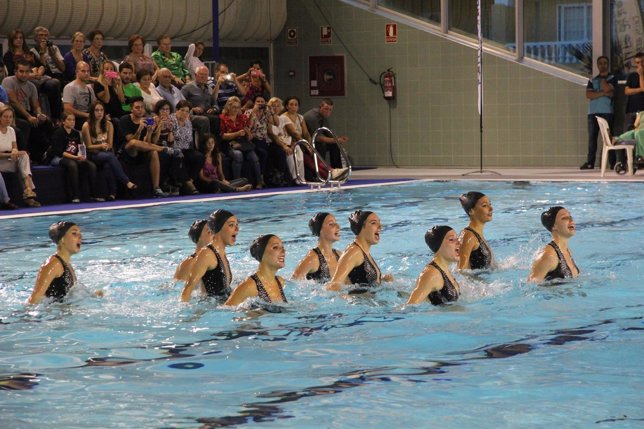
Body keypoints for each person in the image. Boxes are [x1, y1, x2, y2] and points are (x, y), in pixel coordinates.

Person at [82, 101, 137, 201]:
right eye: (97, 110)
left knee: (108, 164)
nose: (99, 113)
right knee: (111, 157)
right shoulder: (87, 125)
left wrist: (106, 147)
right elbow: (88, 146)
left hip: (106, 153)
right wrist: (100, 146)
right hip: (93, 154)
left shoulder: (109, 125)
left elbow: (110, 144)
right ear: (92, 112)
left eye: (102, 110)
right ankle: (126, 181)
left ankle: (112, 194)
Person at [326, 210, 393, 291]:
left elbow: (361, 280)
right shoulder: (354, 252)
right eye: (373, 223)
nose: (380, 227)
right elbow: (333, 286)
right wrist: (349, 300)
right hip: (360, 302)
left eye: (379, 222)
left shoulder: (363, 251)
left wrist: (382, 279)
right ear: (361, 227)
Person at [180, 209, 238, 302]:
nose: (237, 229)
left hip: (224, 304)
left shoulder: (221, 252)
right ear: (218, 229)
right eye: (231, 225)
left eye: (237, 225)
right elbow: (188, 289)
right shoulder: (207, 254)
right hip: (213, 308)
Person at [2, 59, 54, 162]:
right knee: (26, 124)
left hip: (26, 112)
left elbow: (35, 105)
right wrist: (28, 116)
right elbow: (13, 102)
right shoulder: (8, 81)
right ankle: (23, 156)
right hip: (11, 113)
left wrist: (39, 114)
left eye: (27, 72)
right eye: (21, 71)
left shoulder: (31, 86)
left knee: (46, 123)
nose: (24, 74)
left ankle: (43, 153)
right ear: (15, 71)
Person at [28, 222, 92, 304]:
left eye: (80, 233)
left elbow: (72, 294)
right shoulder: (53, 264)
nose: (80, 237)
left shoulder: (67, 264)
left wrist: (92, 295)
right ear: (62, 239)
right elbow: (35, 298)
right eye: (74, 233)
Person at [118, 96, 167, 197]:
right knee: (134, 143)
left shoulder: (146, 120)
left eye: (142, 107)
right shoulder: (125, 119)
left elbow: (147, 143)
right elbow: (131, 140)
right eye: (137, 107)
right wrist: (140, 129)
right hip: (129, 152)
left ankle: (156, 188)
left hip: (142, 152)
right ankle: (163, 149)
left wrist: (150, 132)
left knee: (153, 152)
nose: (140, 110)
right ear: (131, 109)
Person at [50, 111, 100, 203]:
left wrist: (81, 156)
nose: (72, 122)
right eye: (69, 120)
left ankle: (94, 194)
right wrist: (76, 158)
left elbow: (79, 148)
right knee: (72, 165)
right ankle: (75, 195)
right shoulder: (58, 133)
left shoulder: (76, 133)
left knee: (91, 165)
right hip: (58, 157)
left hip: (73, 156)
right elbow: (60, 152)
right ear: (63, 121)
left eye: (73, 120)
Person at [225, 234, 288, 306]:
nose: (283, 251)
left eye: (282, 247)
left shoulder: (280, 282)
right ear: (262, 254)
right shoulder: (250, 286)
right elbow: (225, 311)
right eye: (275, 247)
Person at [407, 226, 461, 305]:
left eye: (457, 238)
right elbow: (410, 306)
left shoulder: (444, 270)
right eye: (451, 240)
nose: (459, 242)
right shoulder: (432, 274)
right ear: (438, 246)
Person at [580, 56, 617, 170]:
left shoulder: (612, 78)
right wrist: (603, 93)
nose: (603, 65)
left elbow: (608, 91)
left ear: (608, 64)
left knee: (608, 138)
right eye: (600, 63)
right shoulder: (592, 80)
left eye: (605, 63)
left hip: (607, 112)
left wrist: (602, 83)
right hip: (593, 113)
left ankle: (612, 163)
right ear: (597, 65)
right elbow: (589, 95)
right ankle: (590, 162)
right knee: (592, 138)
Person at [0, 105, 40, 207]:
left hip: (9, 160)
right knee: (22, 160)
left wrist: (15, 151)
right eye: (5, 116)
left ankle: (28, 189)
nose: (8, 119)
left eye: (10, 117)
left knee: (24, 156)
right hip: (1, 161)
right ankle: (8, 200)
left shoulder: (11, 130)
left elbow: (15, 148)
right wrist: (10, 153)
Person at [528, 206, 580, 282]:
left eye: (570, 216)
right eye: (564, 218)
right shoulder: (549, 256)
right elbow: (530, 285)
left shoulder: (567, 251)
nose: (571, 220)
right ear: (554, 226)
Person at [219, 96, 262, 185]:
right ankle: (237, 183)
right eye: (233, 107)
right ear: (228, 107)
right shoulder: (222, 118)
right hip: (228, 143)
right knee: (238, 155)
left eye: (238, 107)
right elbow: (222, 136)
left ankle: (259, 182)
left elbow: (248, 134)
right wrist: (237, 134)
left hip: (243, 142)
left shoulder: (242, 117)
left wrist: (249, 134)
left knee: (254, 157)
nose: (235, 109)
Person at [292, 212, 342, 281]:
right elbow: (292, 283)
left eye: (336, 223)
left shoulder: (339, 255)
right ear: (320, 230)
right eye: (331, 224)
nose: (338, 227)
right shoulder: (312, 259)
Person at [29, 26, 64, 120]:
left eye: (45, 35)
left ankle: (58, 116)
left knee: (57, 82)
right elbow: (42, 67)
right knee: (53, 85)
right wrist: (42, 52)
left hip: (58, 74)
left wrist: (53, 55)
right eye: (40, 35)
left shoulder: (54, 48)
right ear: (35, 38)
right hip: (45, 76)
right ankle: (55, 117)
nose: (43, 37)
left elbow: (62, 68)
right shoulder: (32, 52)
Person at [303, 98, 349, 169]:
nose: (328, 112)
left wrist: (338, 139)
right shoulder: (312, 117)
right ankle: (322, 171)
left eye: (330, 110)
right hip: (307, 142)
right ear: (320, 107)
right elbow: (318, 138)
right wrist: (336, 140)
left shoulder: (323, 116)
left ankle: (337, 169)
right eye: (326, 109)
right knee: (322, 146)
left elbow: (328, 132)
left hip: (314, 140)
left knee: (335, 145)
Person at [458, 191, 494, 270]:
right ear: (471, 211)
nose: (491, 208)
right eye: (484, 205)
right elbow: (461, 271)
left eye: (490, 204)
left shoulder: (477, 234)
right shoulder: (468, 236)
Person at [281, 96, 311, 184]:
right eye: (291, 105)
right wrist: (306, 144)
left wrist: (309, 142)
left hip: (298, 142)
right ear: (287, 106)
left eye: (296, 105)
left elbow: (305, 132)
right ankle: (294, 179)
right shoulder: (284, 117)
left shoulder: (300, 117)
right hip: (288, 141)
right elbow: (294, 133)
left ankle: (301, 179)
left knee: (300, 159)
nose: (294, 107)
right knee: (292, 158)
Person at [62, 61, 96, 130]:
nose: (86, 73)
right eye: (83, 71)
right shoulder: (70, 87)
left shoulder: (90, 89)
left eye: (88, 71)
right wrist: (86, 115)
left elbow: (94, 105)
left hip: (88, 117)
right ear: (77, 72)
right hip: (76, 119)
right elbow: (67, 108)